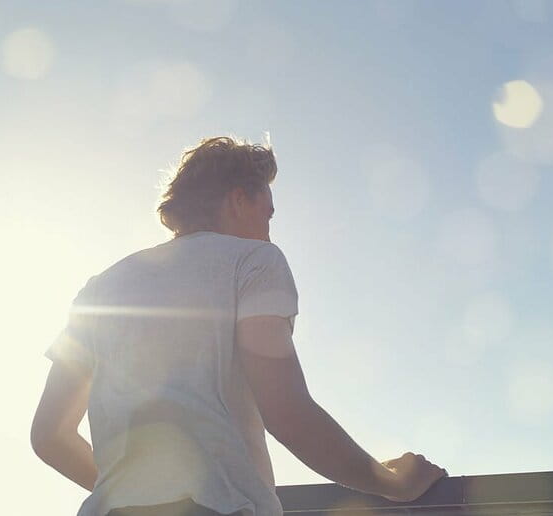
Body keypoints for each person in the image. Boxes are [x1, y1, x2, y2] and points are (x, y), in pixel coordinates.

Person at [30, 136, 448, 516]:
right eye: (267, 214)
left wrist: (127, 494)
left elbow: (49, 435)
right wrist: (393, 483)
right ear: (237, 201)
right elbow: (285, 410)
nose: (267, 233)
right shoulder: (253, 261)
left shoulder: (101, 286)